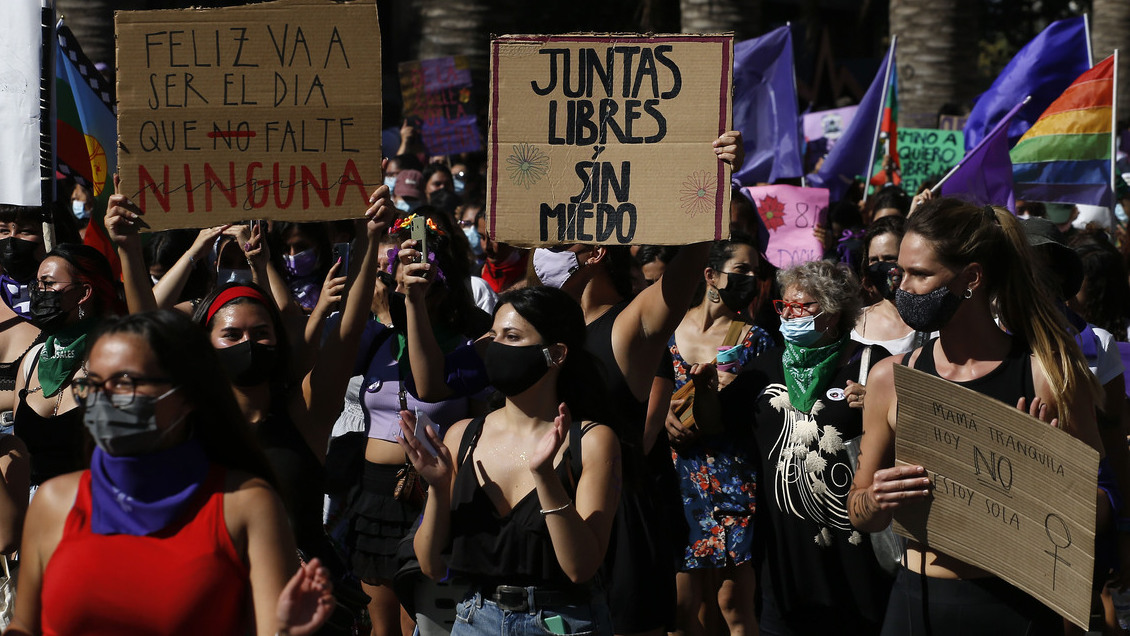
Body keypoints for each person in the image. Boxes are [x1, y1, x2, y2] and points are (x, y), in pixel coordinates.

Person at [848, 198, 1109, 634]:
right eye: (900, 273)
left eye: (920, 274)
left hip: (1016, 606)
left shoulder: (1046, 374)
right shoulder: (889, 379)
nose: (903, 288)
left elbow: (1100, 509)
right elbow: (860, 513)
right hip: (918, 604)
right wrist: (877, 498)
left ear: (971, 278)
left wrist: (1051, 477)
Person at [531, 130, 744, 636]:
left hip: (614, 517)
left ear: (596, 252)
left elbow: (686, 269)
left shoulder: (626, 326)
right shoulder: (535, 325)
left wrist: (716, 182)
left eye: (559, 242)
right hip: (547, 506)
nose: (544, 255)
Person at [5, 310, 334, 636]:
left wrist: (287, 632)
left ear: (187, 394)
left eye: (124, 383)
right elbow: (25, 625)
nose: (102, 399)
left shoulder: (244, 505)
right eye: (91, 384)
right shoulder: (55, 502)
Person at [402, 286, 622, 635]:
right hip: (476, 618)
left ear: (556, 354)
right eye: (493, 335)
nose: (495, 346)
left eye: (512, 336)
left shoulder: (592, 441)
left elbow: (581, 567)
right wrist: (439, 489)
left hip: (562, 623)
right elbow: (430, 565)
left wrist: (546, 478)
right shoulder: (462, 436)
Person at [714, 259, 891, 635]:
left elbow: (914, 440)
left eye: (804, 306)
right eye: (785, 305)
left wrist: (883, 405)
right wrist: (701, 391)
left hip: (854, 560)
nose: (791, 314)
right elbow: (714, 428)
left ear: (834, 309)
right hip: (785, 565)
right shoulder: (763, 368)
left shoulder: (873, 366)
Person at [342, 206, 487, 636]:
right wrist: (367, 241)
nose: (413, 272)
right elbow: (340, 334)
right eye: (402, 263)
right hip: (374, 498)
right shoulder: (380, 337)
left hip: (433, 495)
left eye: (424, 261)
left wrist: (417, 303)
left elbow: (445, 395)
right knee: (380, 627)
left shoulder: (473, 339)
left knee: (419, 626)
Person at [664, 234, 772, 636]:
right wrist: (659, 414)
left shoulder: (754, 339)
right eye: (741, 270)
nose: (751, 280)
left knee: (732, 603)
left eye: (756, 273)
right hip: (676, 480)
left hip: (731, 479)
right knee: (681, 605)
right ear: (710, 275)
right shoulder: (667, 327)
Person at [15, 244, 126, 491]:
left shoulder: (116, 361)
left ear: (84, 293)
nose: (38, 292)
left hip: (93, 507)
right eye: (36, 284)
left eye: (48, 283)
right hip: (34, 515)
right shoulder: (33, 359)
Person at [853, 216, 925, 355]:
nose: (880, 267)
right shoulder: (854, 322)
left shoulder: (932, 321)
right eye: (873, 260)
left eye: (889, 258)